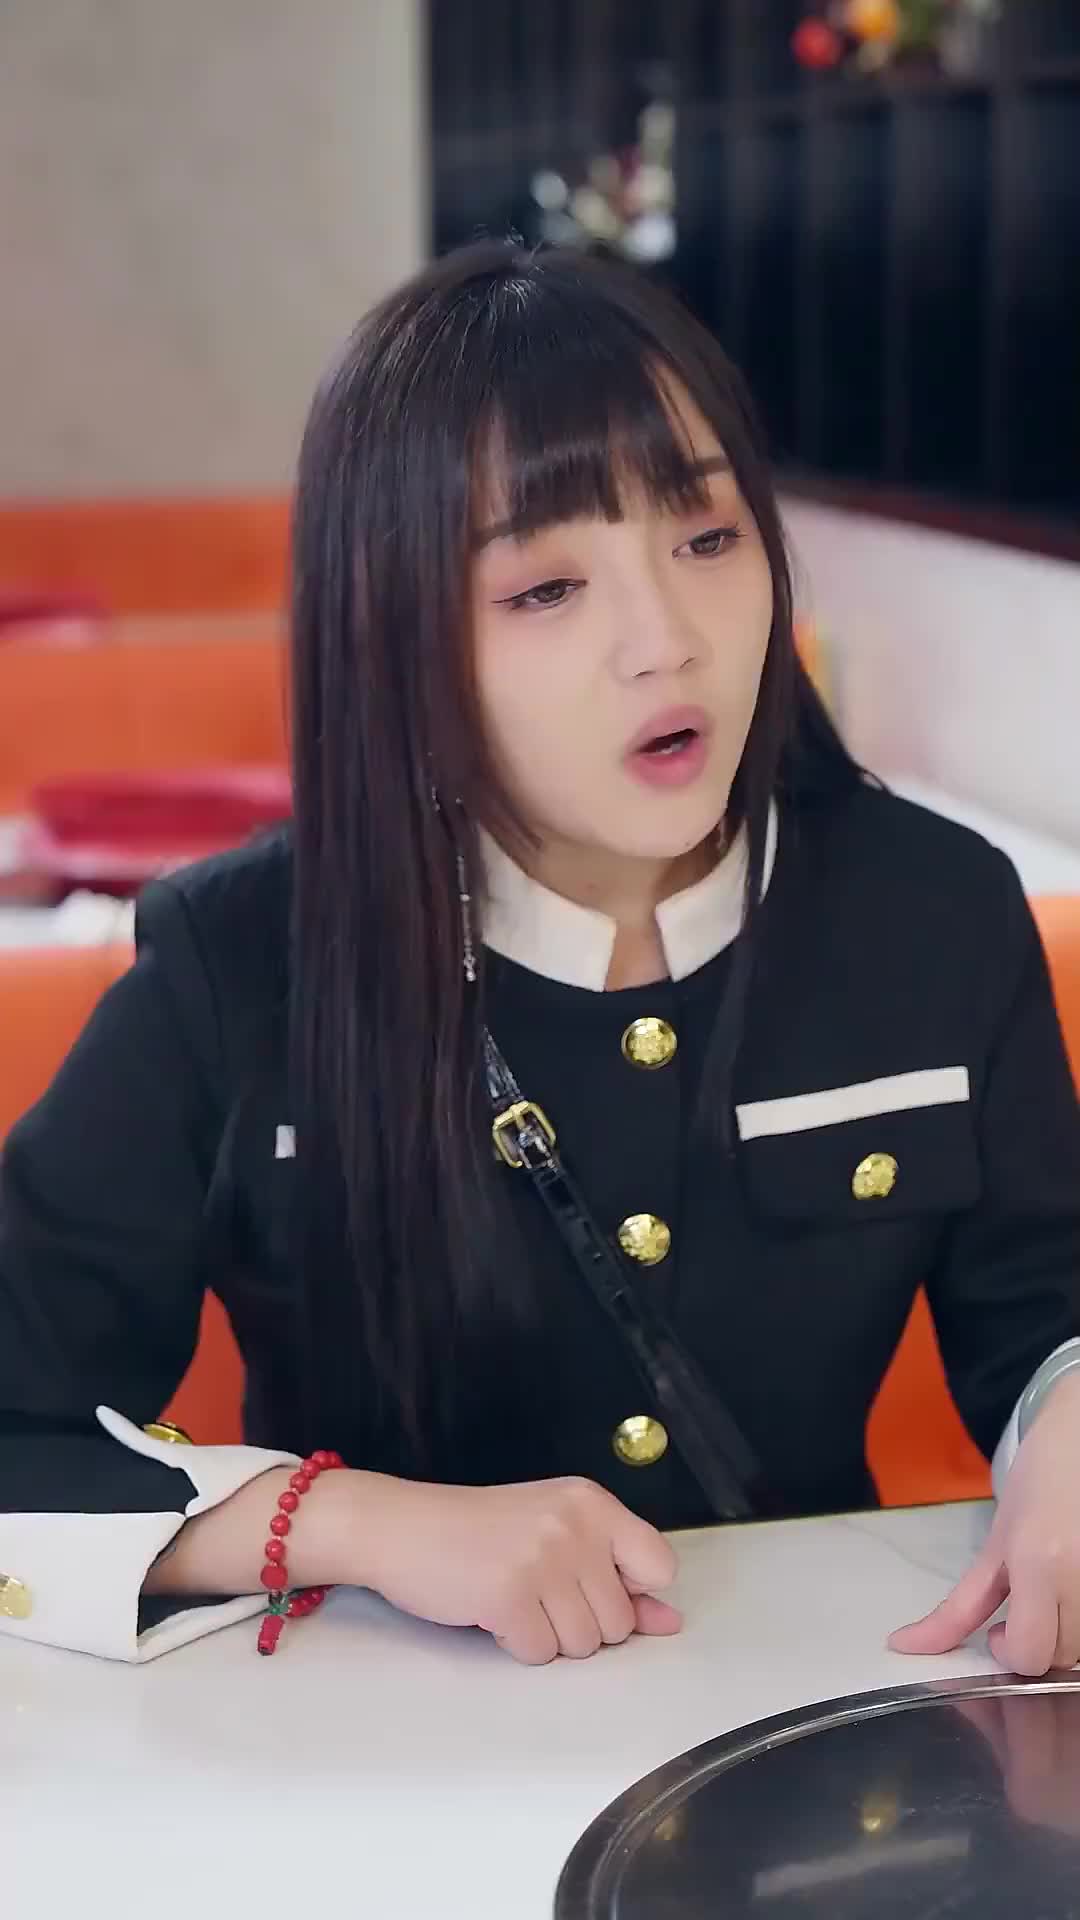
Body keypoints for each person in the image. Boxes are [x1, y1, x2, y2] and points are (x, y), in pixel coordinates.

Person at [2, 241, 1079, 1672]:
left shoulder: (933, 910)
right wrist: (352, 1522)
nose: (666, 642)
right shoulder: (240, 963)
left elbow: (1045, 1316)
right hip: (376, 1745)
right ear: (394, 639)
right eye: (545, 589)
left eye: (708, 540)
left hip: (816, 1715)